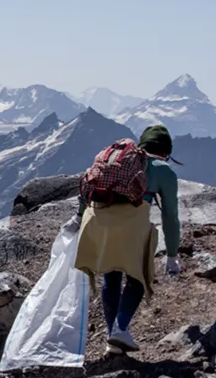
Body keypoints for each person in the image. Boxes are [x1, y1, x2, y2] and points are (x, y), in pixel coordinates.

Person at [74, 125, 180, 354]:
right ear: (165, 151)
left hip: (96, 221)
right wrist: (172, 254)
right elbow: (170, 215)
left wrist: (78, 218)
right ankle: (120, 329)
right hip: (130, 225)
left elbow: (87, 187)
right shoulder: (163, 170)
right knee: (138, 277)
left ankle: (112, 339)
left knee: (111, 277)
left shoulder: (116, 161)